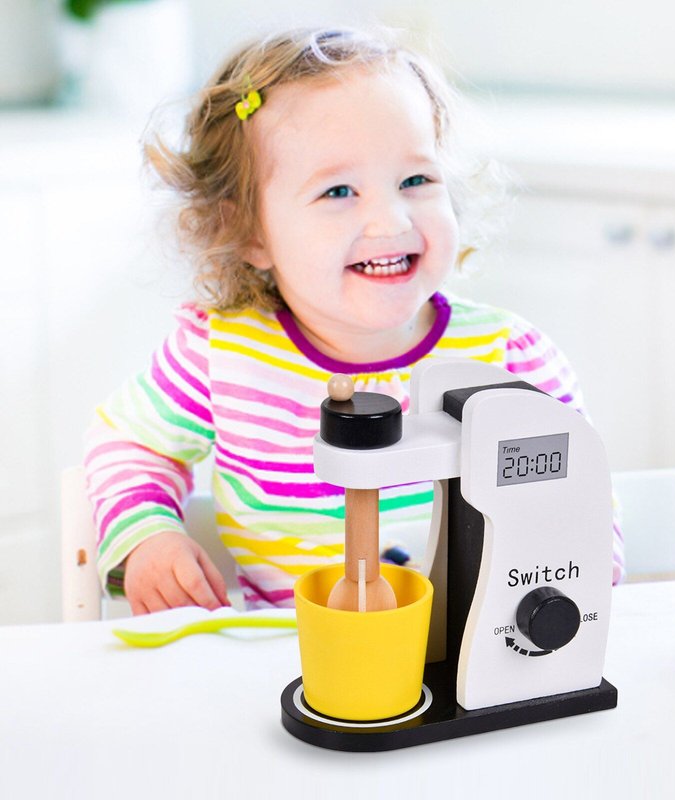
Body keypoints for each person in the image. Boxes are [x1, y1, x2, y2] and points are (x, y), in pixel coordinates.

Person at [84, 27, 625, 615]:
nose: (390, 221)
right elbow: (126, 444)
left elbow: (582, 499)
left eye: (416, 180)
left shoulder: (511, 359)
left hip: (473, 669)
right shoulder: (219, 358)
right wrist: (148, 537)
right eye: (339, 191)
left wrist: (585, 561)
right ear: (248, 232)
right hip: (283, 664)